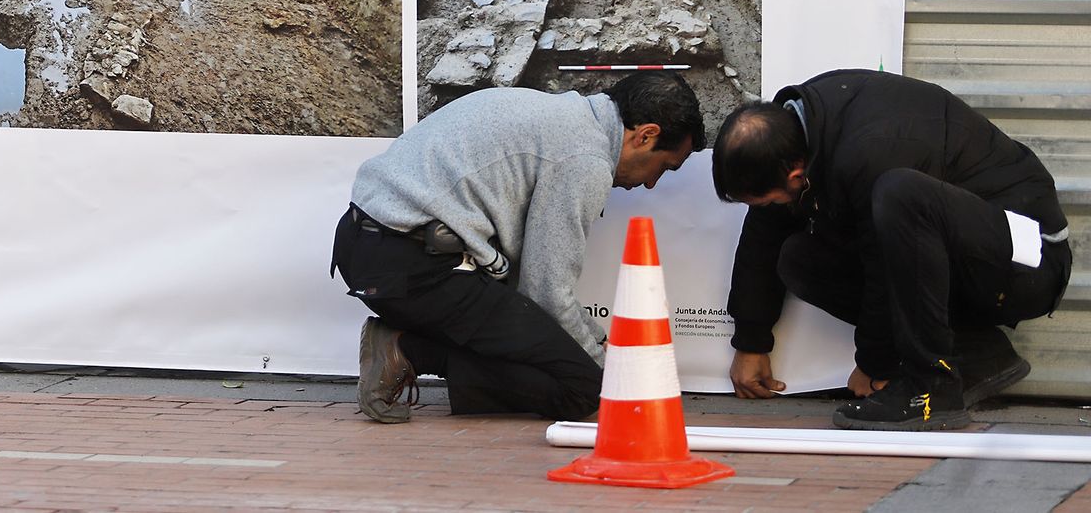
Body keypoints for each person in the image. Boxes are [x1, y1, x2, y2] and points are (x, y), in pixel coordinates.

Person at [330, 72, 706, 423]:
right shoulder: (585, 158)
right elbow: (546, 292)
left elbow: (535, 292)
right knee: (584, 390)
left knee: (540, 344)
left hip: (367, 245)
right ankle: (408, 350)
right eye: (665, 166)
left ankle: (404, 345)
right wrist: (613, 377)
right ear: (645, 135)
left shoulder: (563, 117)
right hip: (410, 263)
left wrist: (600, 339)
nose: (653, 184)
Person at [713, 69, 1072, 431]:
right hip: (962, 251)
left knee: (900, 193)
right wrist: (751, 342)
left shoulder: (871, 150)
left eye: (765, 199)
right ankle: (977, 354)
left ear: (794, 176)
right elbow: (765, 231)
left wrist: (873, 363)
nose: (765, 207)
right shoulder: (796, 131)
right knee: (799, 259)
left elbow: (884, 266)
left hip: (1026, 261)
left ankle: (930, 388)